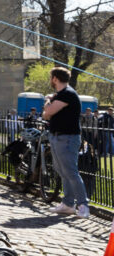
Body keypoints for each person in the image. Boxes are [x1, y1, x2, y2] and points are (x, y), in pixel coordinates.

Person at [43, 67, 89, 218]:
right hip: (57, 136)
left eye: (51, 78)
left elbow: (47, 112)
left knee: (70, 172)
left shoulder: (67, 94)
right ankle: (68, 204)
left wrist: (48, 100)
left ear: (55, 78)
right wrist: (50, 104)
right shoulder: (60, 95)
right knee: (62, 171)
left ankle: (83, 205)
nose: (50, 81)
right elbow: (46, 116)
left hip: (67, 138)